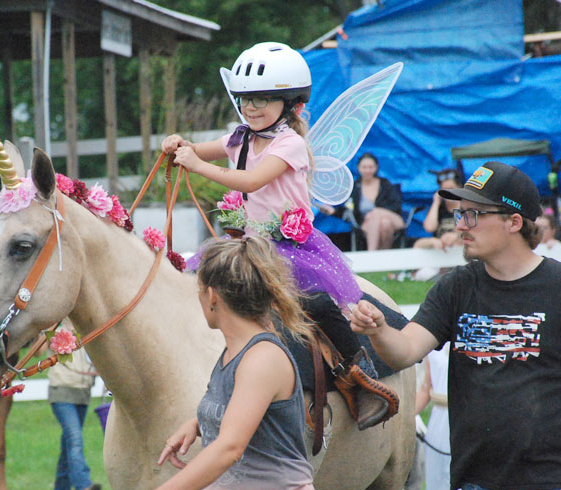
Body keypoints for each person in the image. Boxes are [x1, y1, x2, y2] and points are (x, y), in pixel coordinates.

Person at [350, 161, 561, 490]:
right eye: (459, 214)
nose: (460, 225)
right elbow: (406, 350)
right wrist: (378, 331)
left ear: (514, 221)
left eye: (473, 215)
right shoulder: (456, 288)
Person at [162, 41, 398, 430]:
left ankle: (360, 376)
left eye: (263, 99)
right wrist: (178, 145)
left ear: (291, 105)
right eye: (245, 99)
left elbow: (251, 179)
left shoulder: (290, 144)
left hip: (289, 248)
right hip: (245, 246)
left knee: (316, 304)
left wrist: (197, 166)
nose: (251, 107)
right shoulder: (238, 137)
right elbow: (196, 150)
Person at [111, 237, 333, 490]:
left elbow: (230, 447)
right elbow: (236, 401)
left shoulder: (262, 357)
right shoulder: (231, 350)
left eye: (198, 291)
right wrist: (199, 422)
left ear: (213, 295)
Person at [414, 344, 466, 490]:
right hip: (440, 421)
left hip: (467, 416)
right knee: (444, 480)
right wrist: (406, 418)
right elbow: (427, 387)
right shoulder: (434, 346)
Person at [47, 318, 102, 490]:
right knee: (75, 438)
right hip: (61, 392)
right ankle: (83, 487)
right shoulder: (54, 329)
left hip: (82, 394)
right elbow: (38, 349)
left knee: (68, 443)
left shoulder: (87, 328)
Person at [347, 152, 404, 250]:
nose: (367, 170)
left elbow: (396, 205)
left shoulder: (385, 184)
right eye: (364, 167)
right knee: (385, 223)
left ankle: (372, 253)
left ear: (376, 167)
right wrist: (333, 211)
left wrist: (376, 214)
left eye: (370, 167)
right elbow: (348, 208)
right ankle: (386, 256)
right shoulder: (354, 188)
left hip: (393, 218)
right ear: (358, 168)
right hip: (366, 225)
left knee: (376, 213)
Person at [413, 168, 463, 250]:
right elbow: (429, 228)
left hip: (459, 244)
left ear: (459, 188)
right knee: (419, 243)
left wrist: (455, 236)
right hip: (440, 245)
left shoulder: (466, 207)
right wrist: (436, 202)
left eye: (451, 188)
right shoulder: (439, 208)